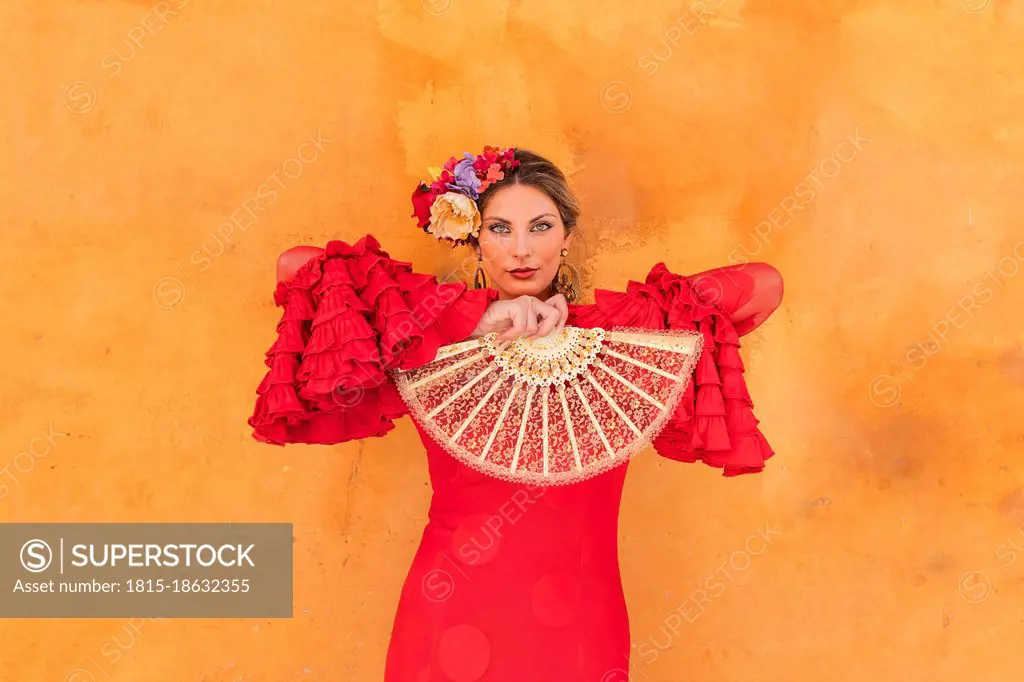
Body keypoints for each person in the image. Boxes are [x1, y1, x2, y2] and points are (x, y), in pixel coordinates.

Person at [249, 147, 784, 681]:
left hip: (580, 628)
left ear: (567, 238)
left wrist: (573, 318)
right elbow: (297, 268)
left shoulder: (620, 339)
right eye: (500, 228)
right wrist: (479, 318)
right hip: (448, 614)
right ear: (474, 240)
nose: (521, 250)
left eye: (541, 227)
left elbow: (763, 285)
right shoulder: (428, 336)